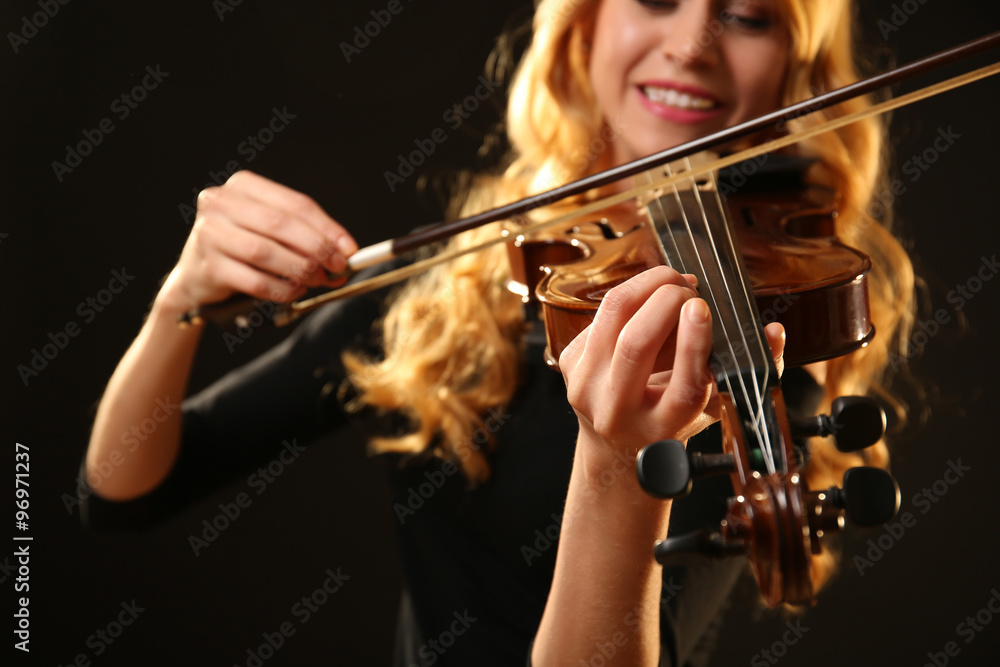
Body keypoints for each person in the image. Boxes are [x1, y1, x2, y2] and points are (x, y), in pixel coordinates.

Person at [83, 0, 914, 665]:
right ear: (584, 24)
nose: (692, 45)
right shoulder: (455, 282)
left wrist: (616, 463)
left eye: (749, 16)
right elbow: (125, 488)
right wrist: (177, 304)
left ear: (795, 73)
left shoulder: (755, 350)